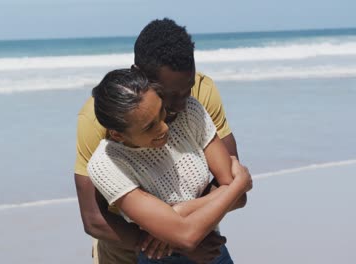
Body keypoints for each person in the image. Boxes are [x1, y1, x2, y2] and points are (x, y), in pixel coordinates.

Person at [74, 18, 245, 264]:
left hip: (199, 235)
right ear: (139, 75)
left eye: (187, 90)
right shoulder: (99, 119)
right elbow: (93, 218)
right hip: (124, 240)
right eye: (166, 95)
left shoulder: (198, 97)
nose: (179, 106)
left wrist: (178, 223)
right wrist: (172, 241)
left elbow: (230, 182)